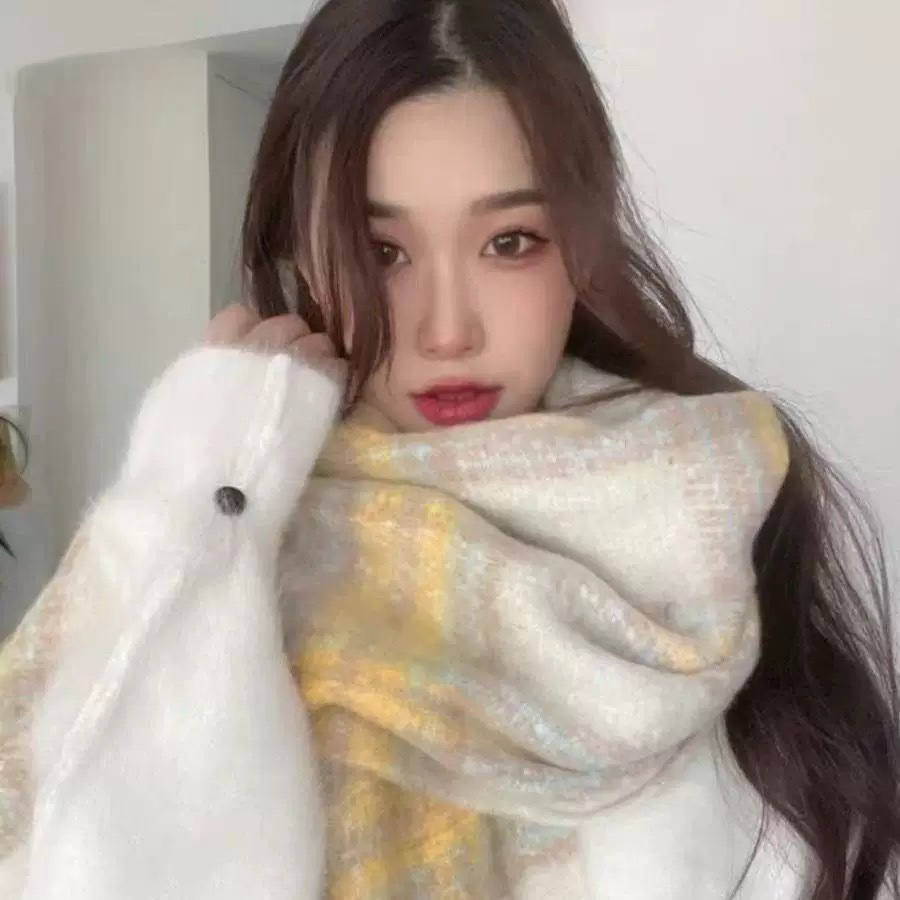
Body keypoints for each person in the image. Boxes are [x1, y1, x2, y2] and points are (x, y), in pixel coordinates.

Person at [1, 0, 897, 897]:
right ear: (298, 255)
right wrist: (210, 481)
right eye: (378, 250)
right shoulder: (209, 536)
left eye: (510, 242)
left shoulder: (711, 495)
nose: (446, 331)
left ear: (580, 248)